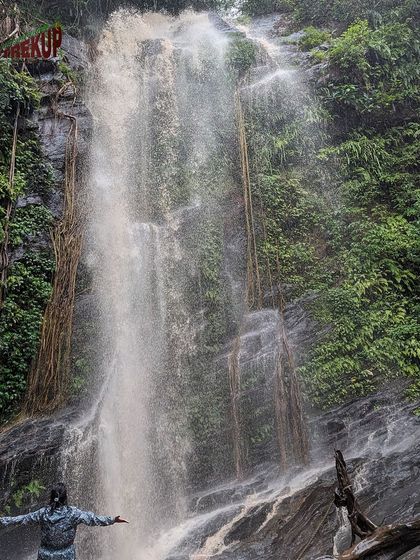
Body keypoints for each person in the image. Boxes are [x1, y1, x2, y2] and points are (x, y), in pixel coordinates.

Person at [0, 482, 128, 560]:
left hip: (46, 555)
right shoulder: (73, 513)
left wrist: (3, 521)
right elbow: (93, 519)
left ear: (51, 497)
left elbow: (22, 519)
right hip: (66, 555)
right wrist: (112, 520)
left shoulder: (43, 513)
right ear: (65, 497)